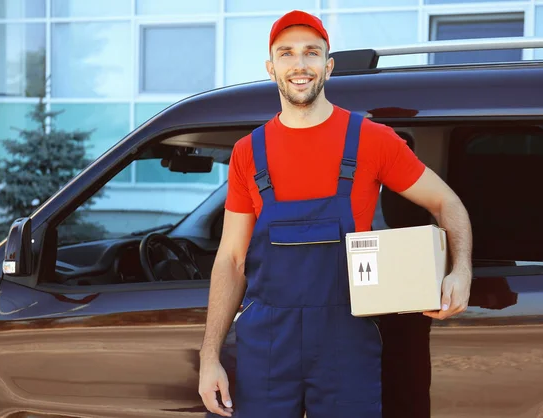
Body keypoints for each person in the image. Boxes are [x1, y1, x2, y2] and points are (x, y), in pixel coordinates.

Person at [198, 10, 473, 418]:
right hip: (267, 343)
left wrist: (461, 269)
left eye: (312, 52)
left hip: (346, 338)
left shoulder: (372, 140)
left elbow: (446, 203)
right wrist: (209, 356)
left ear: (327, 66)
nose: (300, 64)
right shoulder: (248, 152)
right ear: (271, 67)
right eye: (287, 53)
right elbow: (232, 260)